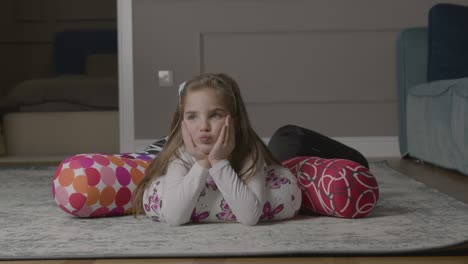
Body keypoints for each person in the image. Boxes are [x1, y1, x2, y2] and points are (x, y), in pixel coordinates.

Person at [132, 73, 302, 226]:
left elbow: (250, 217)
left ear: (233, 122)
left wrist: (218, 161)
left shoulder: (248, 151)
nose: (203, 126)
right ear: (182, 121)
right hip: (166, 147)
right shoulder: (181, 154)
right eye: (192, 117)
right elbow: (174, 217)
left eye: (215, 115)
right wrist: (201, 163)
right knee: (156, 152)